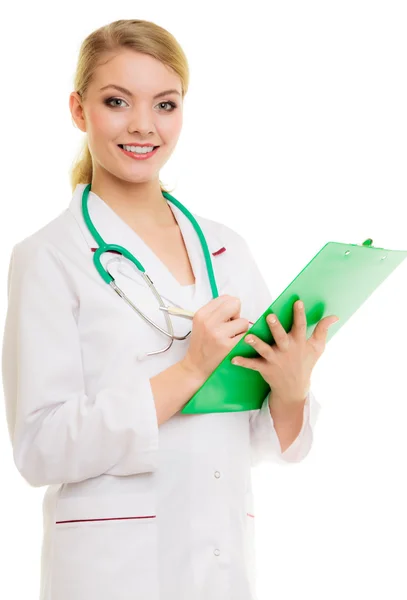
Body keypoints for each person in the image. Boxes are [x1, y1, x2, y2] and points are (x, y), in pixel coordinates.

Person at [1, 18, 337, 600]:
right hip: (111, 572)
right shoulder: (49, 256)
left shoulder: (227, 249)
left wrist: (292, 387)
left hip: (219, 562)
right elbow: (40, 447)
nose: (142, 126)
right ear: (79, 111)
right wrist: (188, 370)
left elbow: (258, 437)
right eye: (116, 102)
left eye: (165, 104)